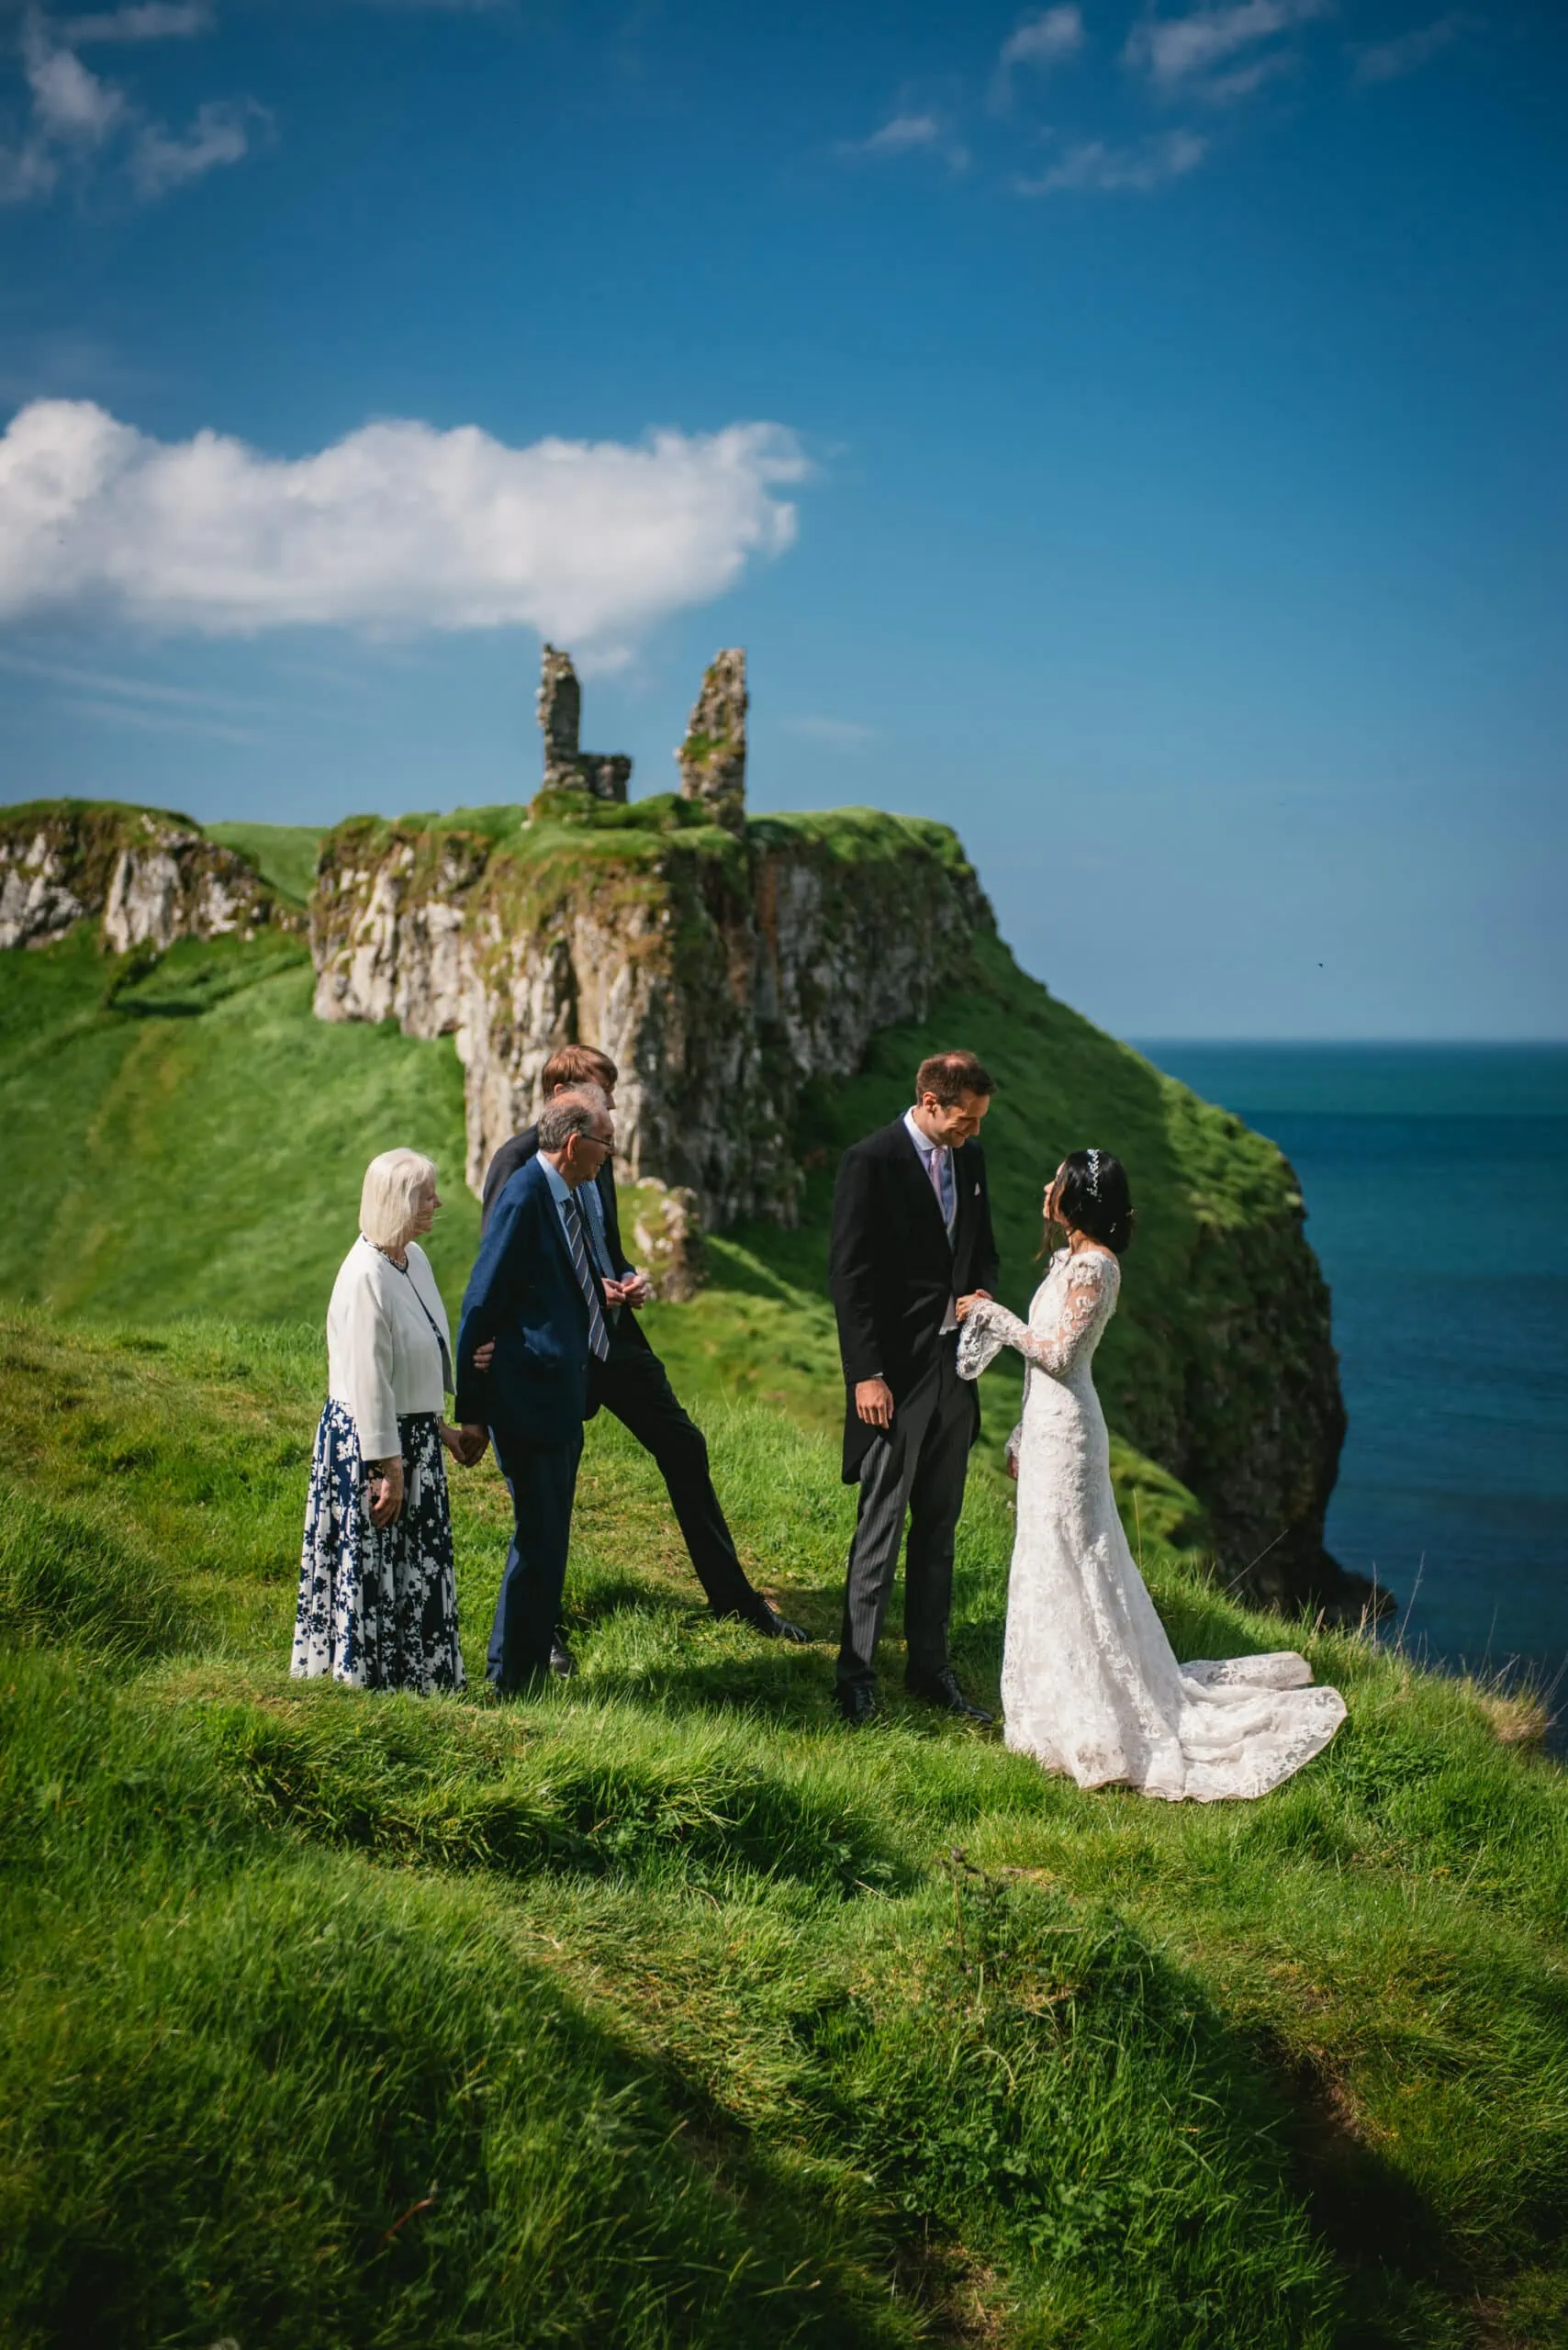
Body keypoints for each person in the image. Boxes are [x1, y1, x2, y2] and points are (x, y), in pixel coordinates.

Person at [957, 1150, 1347, 1800]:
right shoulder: (1068, 1261)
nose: (1046, 1186)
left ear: (1077, 1199)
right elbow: (1044, 1364)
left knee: (1078, 1560)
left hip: (1073, 1437)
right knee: (1048, 1561)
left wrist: (994, 1318)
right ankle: (1057, 1707)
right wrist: (1023, 1430)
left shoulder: (1096, 1268)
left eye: (1056, 1180)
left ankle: (1103, 1715)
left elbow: (1057, 1354)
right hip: (1049, 1428)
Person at [479, 1045, 807, 1663]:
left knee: (684, 1445)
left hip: (616, 1338)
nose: (612, 1110)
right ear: (561, 1097)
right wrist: (574, 1294)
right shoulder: (515, 1163)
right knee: (547, 1493)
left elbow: (604, 1244)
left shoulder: (595, 1155)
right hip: (554, 1349)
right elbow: (500, 1269)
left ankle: (736, 1601)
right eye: (602, 1096)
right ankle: (536, 1634)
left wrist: (628, 1278)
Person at [828, 1049, 1001, 1725]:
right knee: (881, 1524)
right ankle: (855, 1675)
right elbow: (850, 1278)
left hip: (956, 1372)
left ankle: (930, 1669)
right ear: (931, 1102)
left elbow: (980, 1247)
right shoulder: (868, 1162)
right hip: (894, 1376)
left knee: (941, 1525)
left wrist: (982, 1293)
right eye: (965, 1119)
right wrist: (865, 1374)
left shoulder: (973, 1161)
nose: (973, 1132)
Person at [292, 1148, 487, 1694]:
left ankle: (419, 1679)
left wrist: (439, 1428)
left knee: (414, 1567)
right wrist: (389, 1468)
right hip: (372, 1448)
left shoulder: (410, 1259)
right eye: (427, 1196)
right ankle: (368, 1680)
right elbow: (369, 1384)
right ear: (400, 1202)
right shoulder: (363, 1278)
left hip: (411, 1441)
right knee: (376, 1562)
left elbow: (414, 1358)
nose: (438, 1204)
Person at [454, 1090, 616, 1693]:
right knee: (538, 1539)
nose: (609, 1156)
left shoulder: (567, 1196)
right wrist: (471, 1412)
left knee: (549, 1540)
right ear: (574, 1144)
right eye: (605, 1143)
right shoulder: (525, 1197)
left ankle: (518, 1675)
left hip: (558, 1398)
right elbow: (480, 1304)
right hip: (526, 1401)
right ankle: (508, 1680)